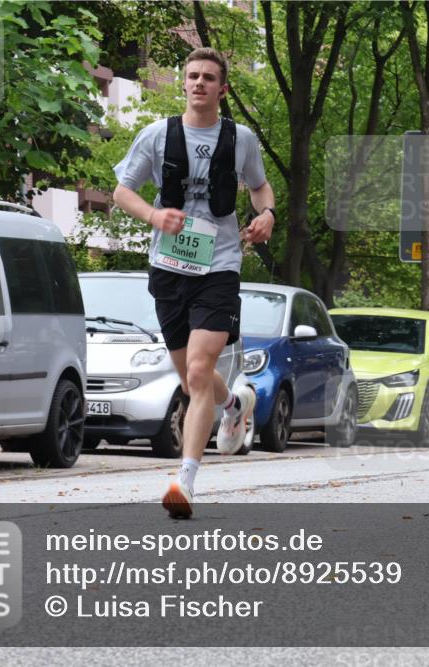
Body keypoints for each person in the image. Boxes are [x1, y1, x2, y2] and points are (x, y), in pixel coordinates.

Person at [112, 48, 276, 519]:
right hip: (168, 267)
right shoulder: (156, 135)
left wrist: (267, 214)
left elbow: (259, 187)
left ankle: (184, 482)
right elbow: (122, 191)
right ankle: (234, 404)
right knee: (190, 378)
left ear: (222, 89)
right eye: (192, 76)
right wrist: (154, 215)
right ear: (183, 83)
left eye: (208, 77)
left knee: (200, 372)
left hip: (219, 267)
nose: (199, 82)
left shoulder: (240, 139)